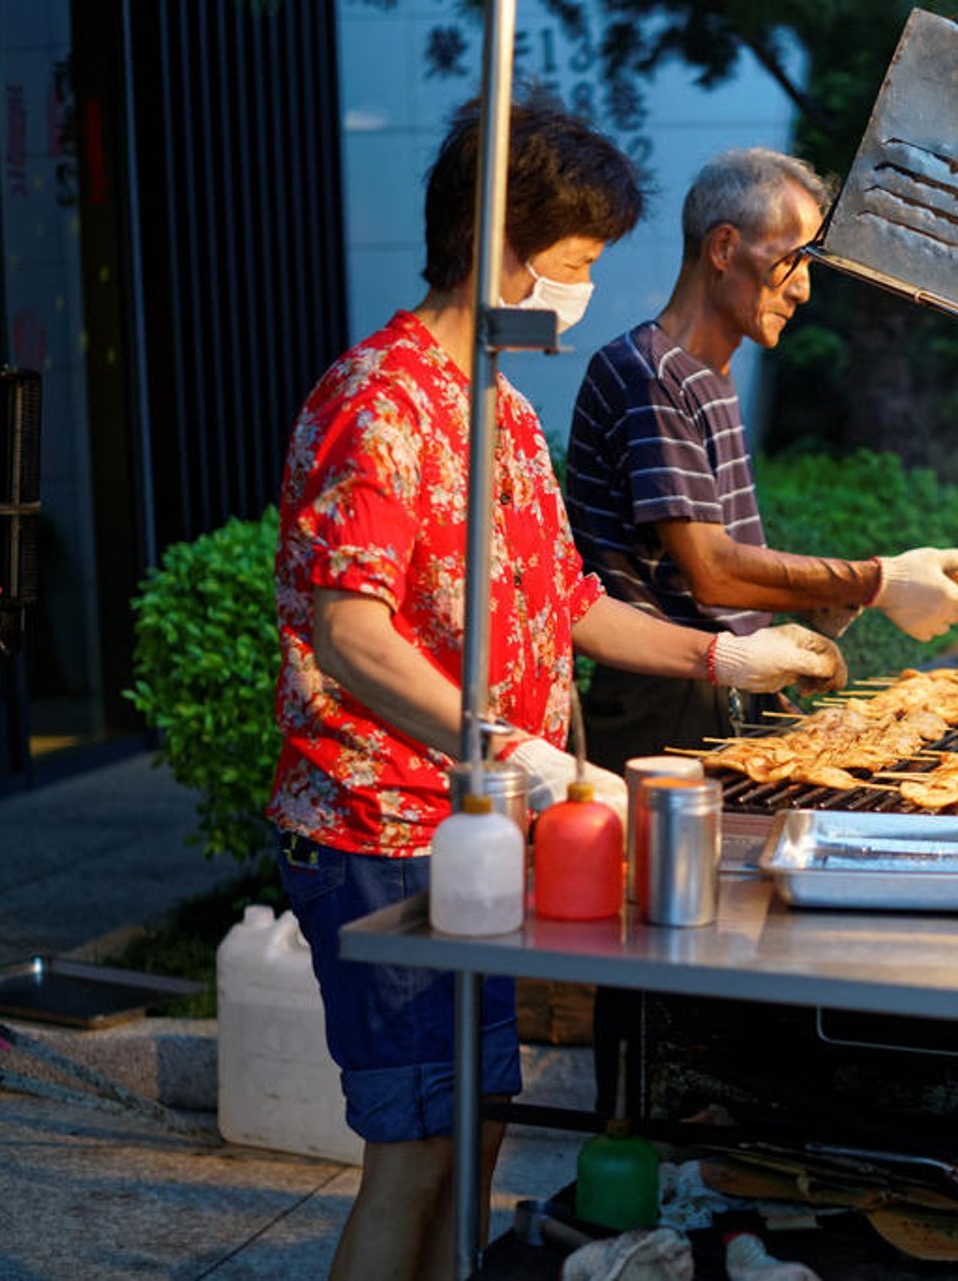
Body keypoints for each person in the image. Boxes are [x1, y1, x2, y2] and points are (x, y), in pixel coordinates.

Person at [267, 99, 843, 1281]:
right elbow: (349, 636)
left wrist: (720, 655)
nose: (581, 292)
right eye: (576, 264)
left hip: (475, 836)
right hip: (378, 830)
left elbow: (566, 599)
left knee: (476, 1136)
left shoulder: (506, 412)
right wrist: (516, 750)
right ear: (500, 247)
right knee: (416, 1151)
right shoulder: (382, 403)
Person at [564, 147, 958, 770]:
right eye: (793, 259)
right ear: (725, 248)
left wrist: (816, 612)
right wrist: (878, 581)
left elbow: (711, 577)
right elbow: (712, 571)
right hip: (662, 710)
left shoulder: (710, 375)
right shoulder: (649, 374)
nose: (805, 288)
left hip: (723, 689)